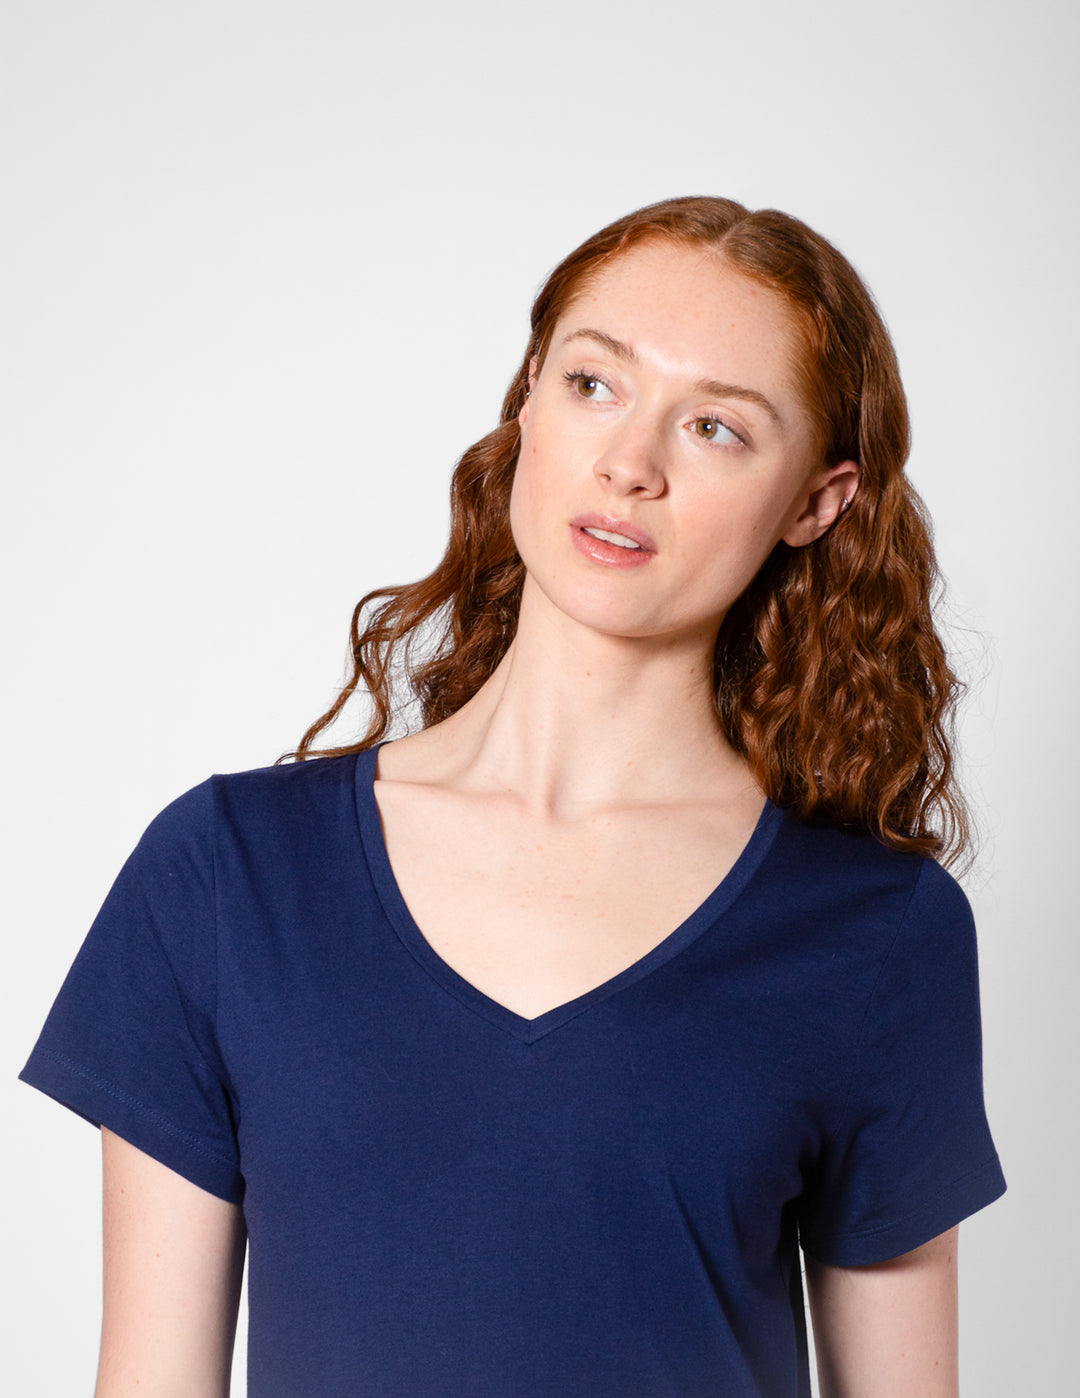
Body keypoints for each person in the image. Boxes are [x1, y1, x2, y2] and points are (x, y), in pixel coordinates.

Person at [21, 196, 1005, 1398]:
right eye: (596, 385)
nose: (629, 465)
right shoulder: (230, 876)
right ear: (529, 394)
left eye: (715, 429)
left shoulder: (875, 935)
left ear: (816, 501)